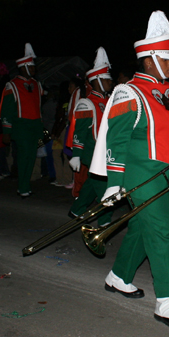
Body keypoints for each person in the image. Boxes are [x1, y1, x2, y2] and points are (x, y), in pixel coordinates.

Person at [90, 11, 169, 329]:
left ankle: (118, 276)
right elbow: (117, 139)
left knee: (142, 229)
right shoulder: (129, 92)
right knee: (161, 233)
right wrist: (114, 181)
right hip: (139, 173)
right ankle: (166, 300)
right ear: (149, 60)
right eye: (167, 59)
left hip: (167, 174)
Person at [68, 47, 114, 226]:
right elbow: (80, 131)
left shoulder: (108, 101)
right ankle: (105, 221)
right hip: (91, 150)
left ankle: (76, 210)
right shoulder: (86, 103)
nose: (110, 82)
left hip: (104, 150)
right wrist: (77, 155)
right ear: (97, 81)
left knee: (92, 183)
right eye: (107, 79)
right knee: (104, 186)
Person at [0, 43, 46, 198]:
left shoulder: (36, 84)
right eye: (31, 67)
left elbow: (39, 108)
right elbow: (7, 110)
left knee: (31, 157)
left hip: (34, 126)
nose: (34, 70)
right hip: (21, 126)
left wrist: (41, 128)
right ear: (23, 67)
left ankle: (25, 185)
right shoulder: (12, 85)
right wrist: (7, 130)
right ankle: (23, 186)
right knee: (24, 156)